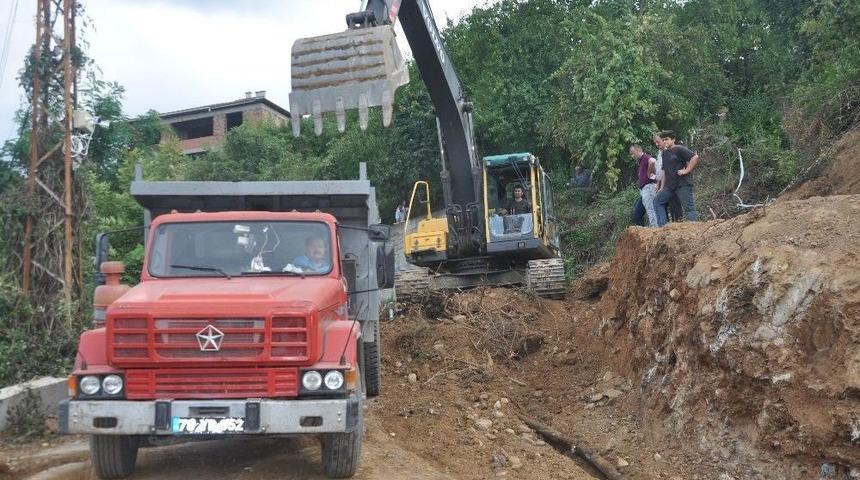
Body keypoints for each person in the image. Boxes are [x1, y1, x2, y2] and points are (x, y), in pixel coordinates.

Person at [654, 130, 699, 226]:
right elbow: (664, 171)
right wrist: (662, 188)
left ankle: (696, 230)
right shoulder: (664, 153)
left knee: (689, 208)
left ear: (673, 139)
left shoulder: (679, 149)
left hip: (682, 184)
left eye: (667, 139)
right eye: (663, 140)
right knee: (657, 201)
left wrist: (686, 170)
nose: (665, 141)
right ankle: (663, 227)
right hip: (670, 187)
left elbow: (695, 157)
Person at [653, 133, 683, 222]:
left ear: (663, 140)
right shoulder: (660, 153)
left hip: (672, 183)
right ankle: (666, 228)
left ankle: (676, 226)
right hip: (664, 184)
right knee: (663, 206)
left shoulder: (670, 151)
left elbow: (665, 171)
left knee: (674, 207)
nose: (657, 144)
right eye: (655, 142)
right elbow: (660, 171)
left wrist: (662, 186)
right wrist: (658, 185)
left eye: (658, 142)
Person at [630, 144, 658, 227]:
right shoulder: (641, 161)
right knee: (643, 211)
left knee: (651, 209)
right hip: (644, 189)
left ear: (638, 150)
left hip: (648, 187)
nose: (632, 156)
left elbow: (653, 161)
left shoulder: (645, 157)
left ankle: (655, 228)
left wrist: (649, 173)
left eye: (633, 153)